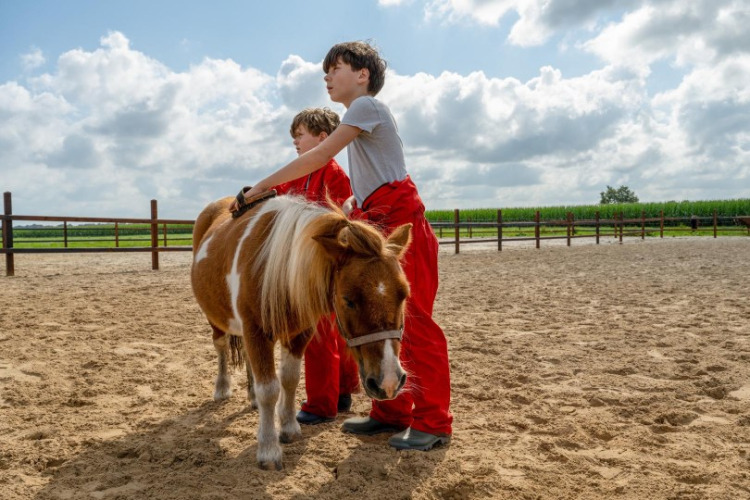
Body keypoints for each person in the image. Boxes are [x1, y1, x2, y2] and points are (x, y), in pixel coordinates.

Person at [232, 41, 452, 451]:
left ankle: (434, 421)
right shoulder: (362, 116)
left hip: (400, 222)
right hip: (378, 218)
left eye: (335, 68)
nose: (327, 77)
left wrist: (262, 186)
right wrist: (355, 205)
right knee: (374, 315)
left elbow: (318, 156)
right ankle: (390, 412)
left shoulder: (365, 107)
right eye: (326, 71)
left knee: (413, 323)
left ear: (363, 75)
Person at [272, 107, 360, 425]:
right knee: (331, 329)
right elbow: (276, 195)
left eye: (301, 134)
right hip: (308, 261)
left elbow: (339, 221)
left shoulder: (334, 175)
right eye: (293, 135)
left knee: (318, 334)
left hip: (322, 263)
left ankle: (321, 404)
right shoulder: (298, 172)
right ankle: (343, 391)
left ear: (323, 138)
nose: (295, 141)